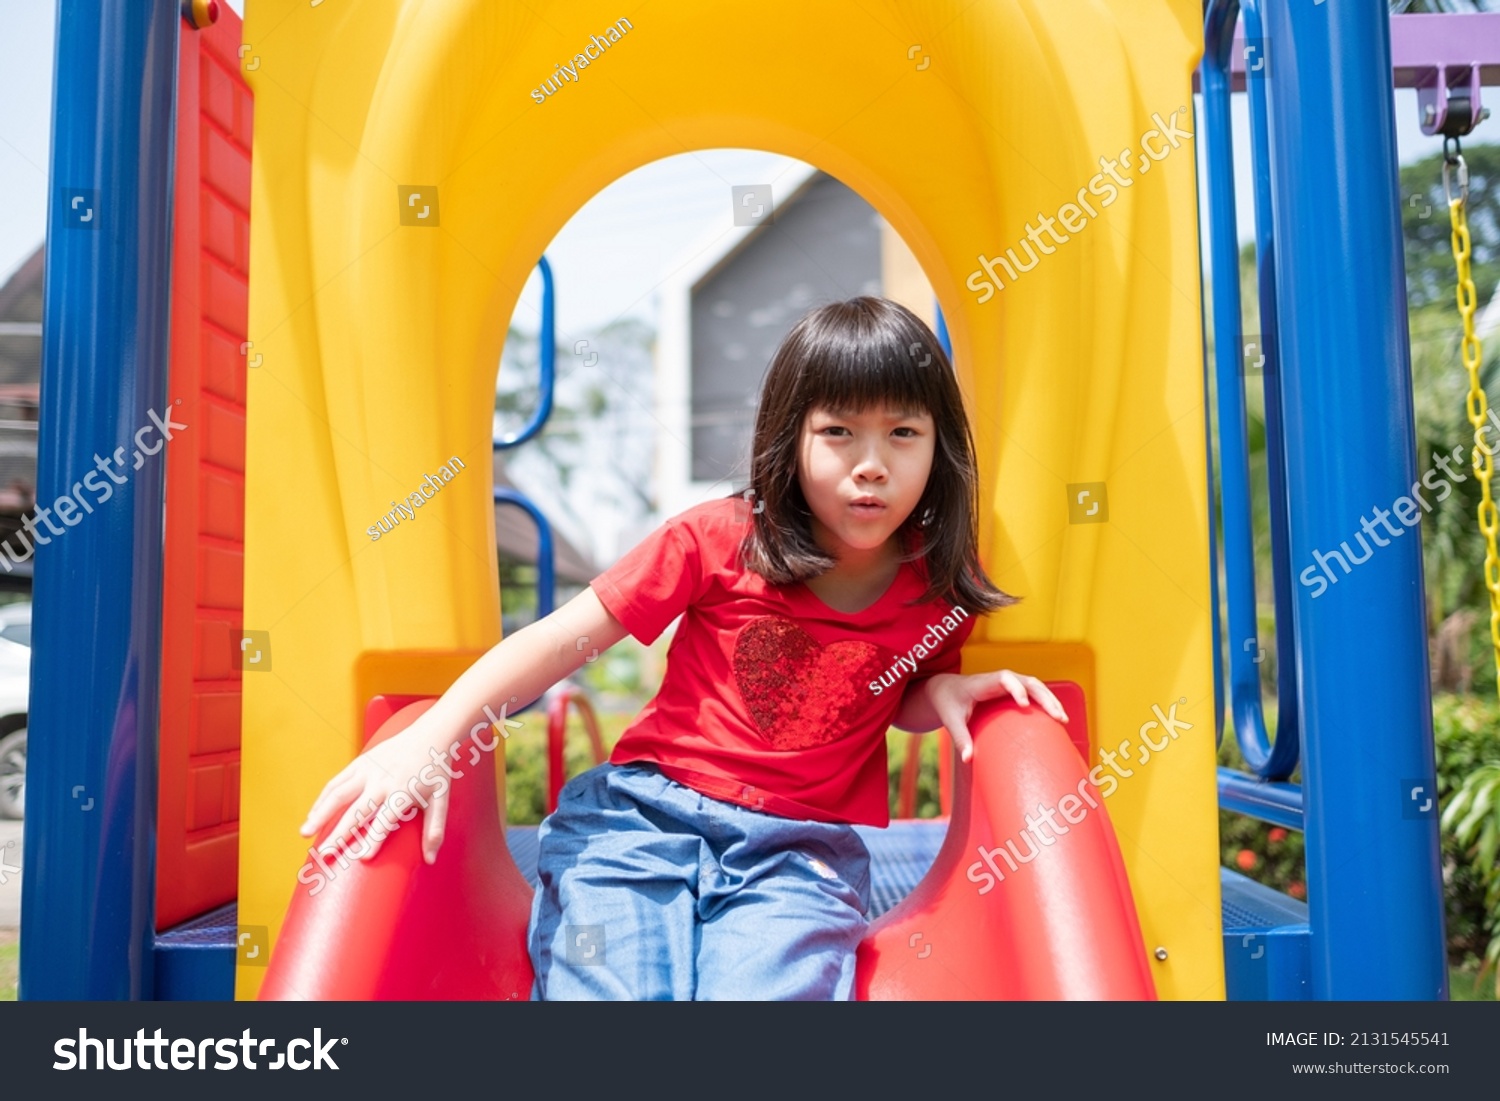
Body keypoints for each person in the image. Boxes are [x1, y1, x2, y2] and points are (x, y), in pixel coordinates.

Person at [299, 295, 1068, 1000]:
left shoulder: (938, 581)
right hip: (645, 818)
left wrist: (945, 693)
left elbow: (888, 691)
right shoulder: (720, 538)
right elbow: (561, 639)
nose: (871, 463)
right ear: (791, 438)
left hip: (797, 851)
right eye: (838, 431)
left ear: (941, 449)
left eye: (903, 433)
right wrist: (438, 734)